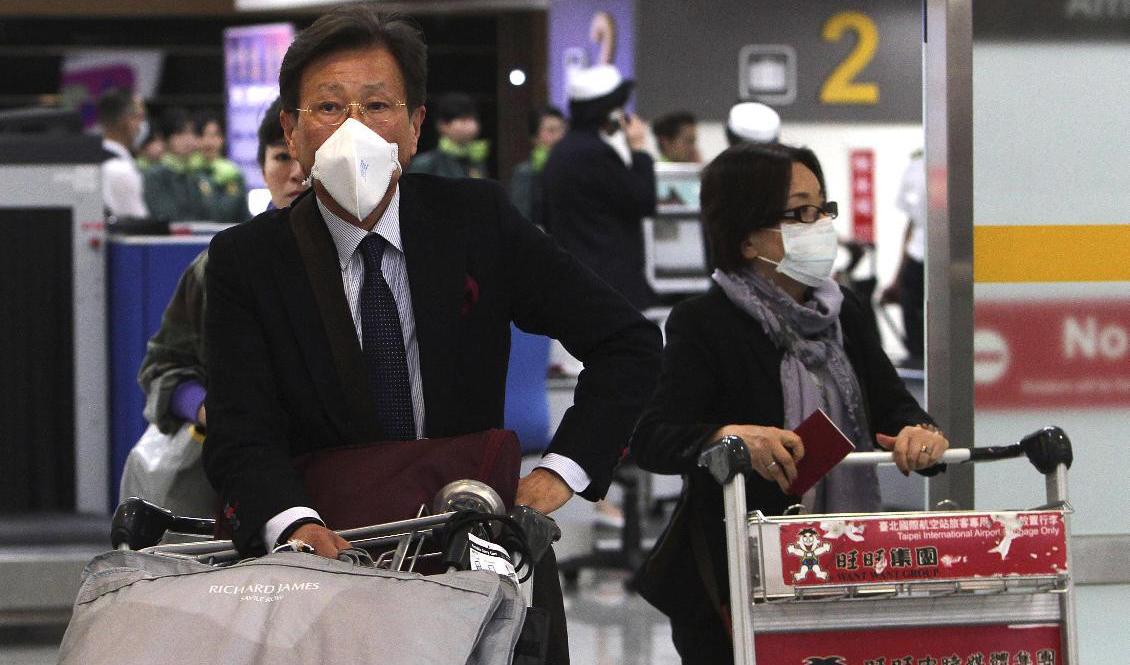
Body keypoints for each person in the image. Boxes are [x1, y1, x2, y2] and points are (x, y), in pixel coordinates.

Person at [201, 8, 661, 663]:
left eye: (378, 104)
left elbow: (628, 342)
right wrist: (292, 522)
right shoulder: (248, 260)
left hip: (474, 555)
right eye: (328, 106)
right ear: (292, 131)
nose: (354, 127)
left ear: (415, 127)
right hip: (329, 565)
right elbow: (240, 432)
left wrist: (563, 470)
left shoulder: (477, 222)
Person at [630, 142, 948, 664]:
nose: (820, 223)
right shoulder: (703, 323)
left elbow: (894, 408)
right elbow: (653, 438)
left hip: (845, 565)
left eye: (823, 208)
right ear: (749, 238)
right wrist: (727, 438)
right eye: (800, 213)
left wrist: (918, 431)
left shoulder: (847, 314)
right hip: (736, 581)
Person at [138, 97, 305, 440]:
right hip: (248, 461)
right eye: (282, 157)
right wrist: (205, 408)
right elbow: (163, 367)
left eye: (308, 158)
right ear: (262, 168)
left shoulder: (367, 257)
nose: (297, 174)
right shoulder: (222, 264)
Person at [543, 64, 657, 311]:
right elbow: (644, 200)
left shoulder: (562, 152)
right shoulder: (596, 154)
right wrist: (638, 150)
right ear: (611, 112)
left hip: (576, 282)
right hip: (608, 286)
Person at [881, 148, 926, 367]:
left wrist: (898, 277)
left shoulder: (916, 170)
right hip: (923, 258)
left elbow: (911, 229)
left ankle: (918, 357)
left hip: (919, 258)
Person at [144, 108, 208, 221]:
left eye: (192, 133)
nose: (188, 140)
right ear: (166, 138)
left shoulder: (197, 174)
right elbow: (166, 214)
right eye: (180, 133)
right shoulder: (155, 175)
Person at [406, 91, 489, 178]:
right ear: (442, 125)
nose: (469, 124)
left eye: (471, 119)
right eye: (462, 119)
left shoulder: (477, 159)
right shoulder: (426, 163)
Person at [95, 88, 149, 218]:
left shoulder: (91, 158)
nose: (143, 125)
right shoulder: (120, 170)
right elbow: (137, 225)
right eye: (140, 117)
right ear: (126, 120)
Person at [508, 105, 565, 228]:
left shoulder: (569, 166)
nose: (560, 136)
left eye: (562, 130)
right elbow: (520, 216)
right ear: (534, 137)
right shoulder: (525, 172)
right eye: (551, 130)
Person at [191, 112, 250, 223]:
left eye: (214, 135)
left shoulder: (233, 174)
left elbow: (243, 214)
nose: (208, 142)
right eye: (203, 135)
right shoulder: (189, 173)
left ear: (222, 138)